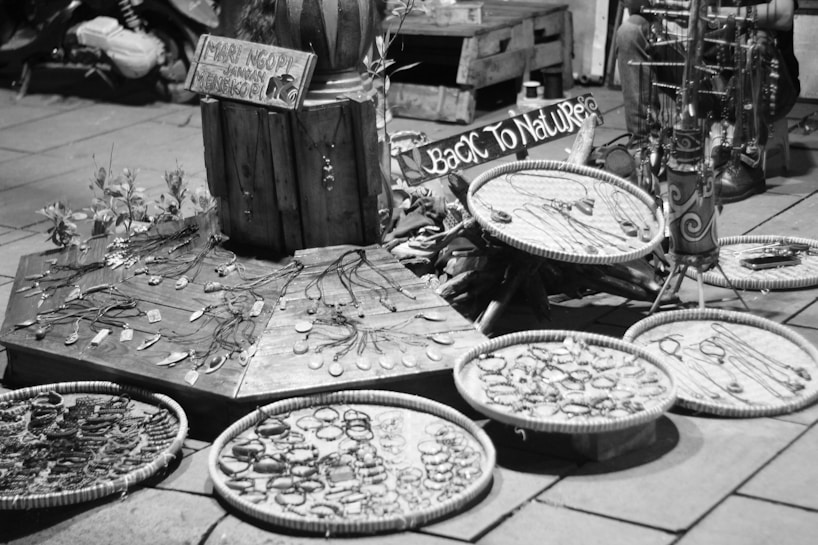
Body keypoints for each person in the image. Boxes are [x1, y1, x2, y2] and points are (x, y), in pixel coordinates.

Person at [616, 0, 800, 203]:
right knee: (631, 31)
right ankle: (644, 156)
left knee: (755, 37)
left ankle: (747, 162)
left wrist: (717, 13)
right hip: (696, 70)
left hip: (759, 78)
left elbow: (784, 14)